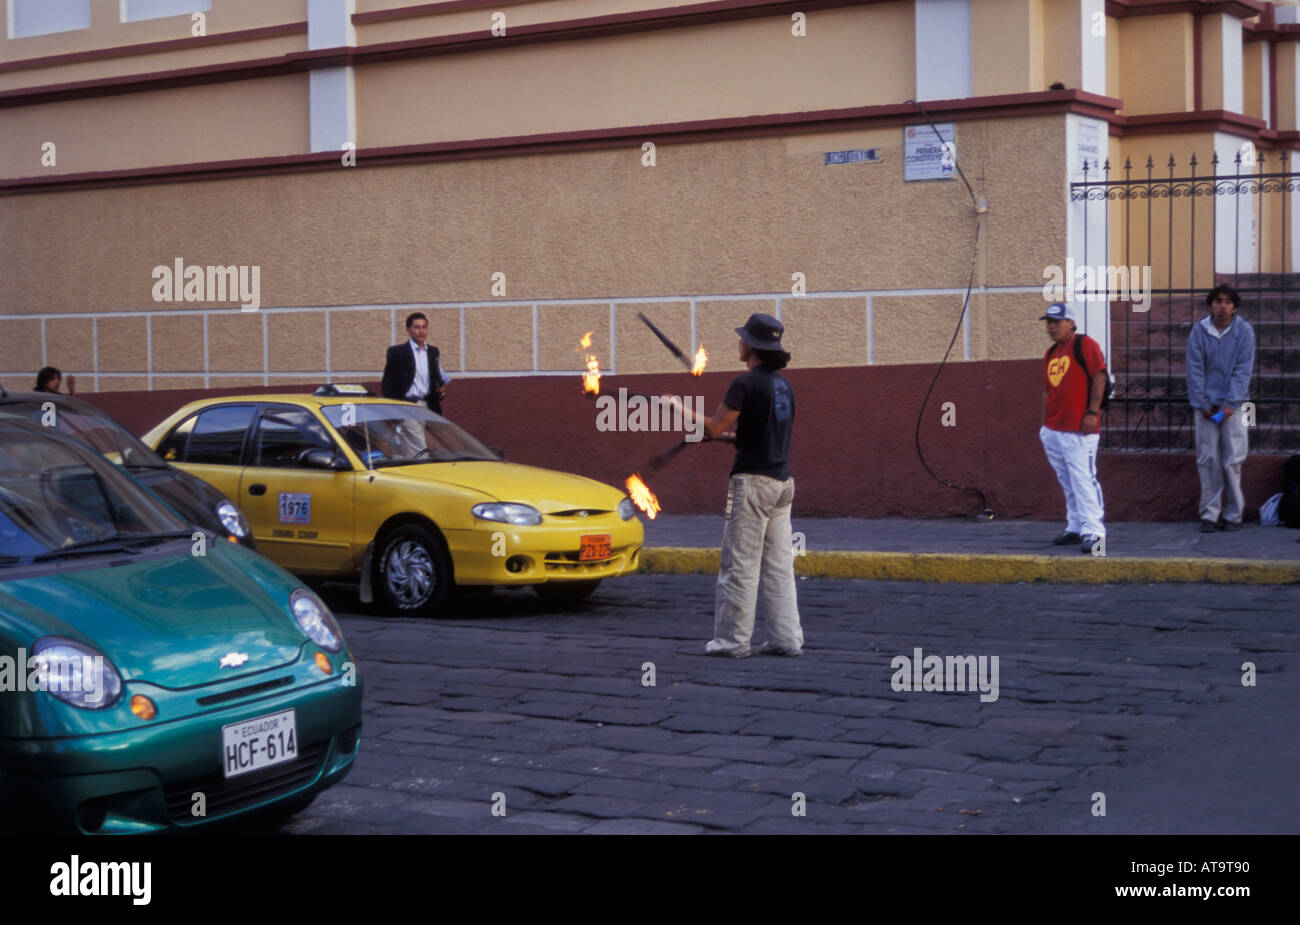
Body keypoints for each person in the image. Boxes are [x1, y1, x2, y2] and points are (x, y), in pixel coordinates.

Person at [668, 313, 802, 658]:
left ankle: (732, 641)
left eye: (742, 338)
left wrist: (680, 409)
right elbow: (757, 433)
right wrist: (729, 440)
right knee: (778, 566)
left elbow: (713, 427)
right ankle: (786, 639)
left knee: (739, 564)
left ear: (752, 346)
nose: (739, 343)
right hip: (782, 484)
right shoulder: (783, 385)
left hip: (753, 484)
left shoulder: (743, 384)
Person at [1038, 302, 1108, 553]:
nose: (1051, 327)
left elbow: (1100, 376)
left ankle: (1096, 534)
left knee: (1083, 479)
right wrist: (1045, 425)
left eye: (1057, 322)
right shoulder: (1051, 353)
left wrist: (1092, 412)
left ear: (1071, 322)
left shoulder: (1084, 345)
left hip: (1080, 429)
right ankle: (1076, 527)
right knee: (1067, 480)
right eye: (1049, 322)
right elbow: (1048, 390)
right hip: (1054, 429)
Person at [1186, 284, 1255, 532]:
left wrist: (1229, 405)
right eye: (1218, 301)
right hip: (1205, 408)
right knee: (1208, 459)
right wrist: (1205, 405)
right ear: (1210, 305)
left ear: (1234, 307)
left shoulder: (1244, 332)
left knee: (1233, 459)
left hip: (1236, 407)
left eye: (1227, 302)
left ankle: (1234, 514)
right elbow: (1194, 370)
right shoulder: (1199, 331)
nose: (1223, 306)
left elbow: (1243, 370)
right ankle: (1209, 514)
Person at [381, 312, 450, 415]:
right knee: (416, 432)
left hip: (430, 405)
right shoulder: (397, 353)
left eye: (424, 327)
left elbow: (436, 381)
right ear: (408, 330)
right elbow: (387, 385)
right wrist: (399, 406)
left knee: (442, 431)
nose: (421, 331)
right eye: (417, 327)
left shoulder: (433, 352)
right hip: (408, 406)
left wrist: (441, 392)